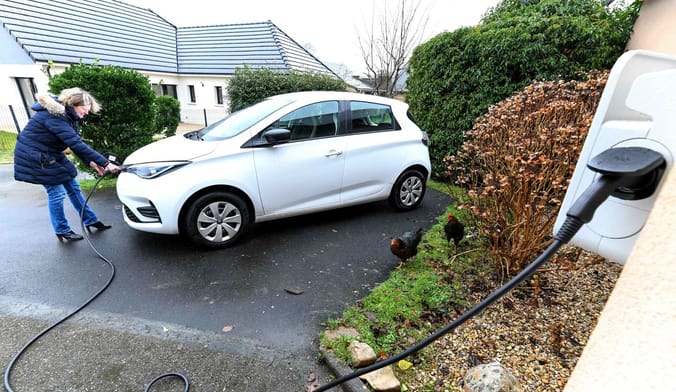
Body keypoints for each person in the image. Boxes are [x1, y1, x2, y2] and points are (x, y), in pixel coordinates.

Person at [13, 87, 121, 242]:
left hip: (51, 153)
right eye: (85, 109)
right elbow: (76, 143)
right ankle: (62, 230)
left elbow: (72, 142)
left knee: (73, 187)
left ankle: (90, 220)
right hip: (35, 157)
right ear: (73, 104)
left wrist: (90, 161)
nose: (87, 113)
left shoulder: (68, 116)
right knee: (56, 194)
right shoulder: (54, 116)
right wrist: (105, 163)